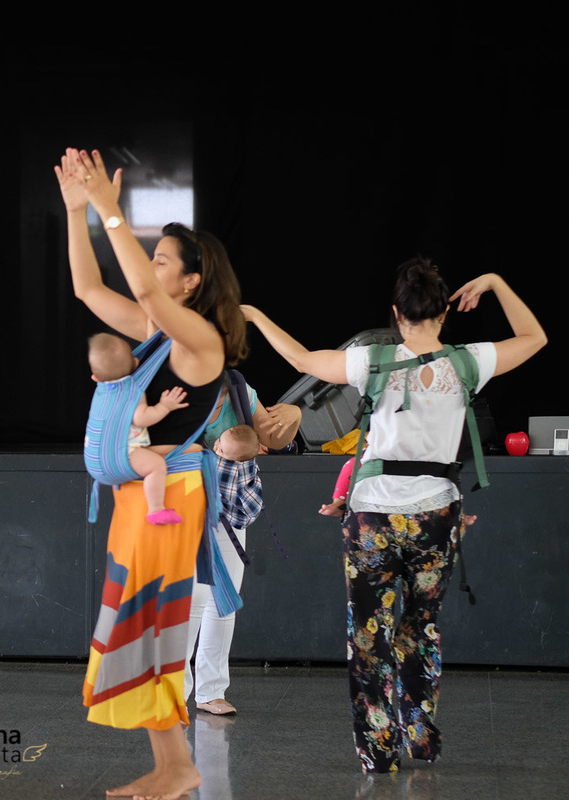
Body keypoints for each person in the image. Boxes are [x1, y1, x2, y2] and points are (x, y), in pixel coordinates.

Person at [241, 261, 546, 773]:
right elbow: (534, 336)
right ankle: (421, 736)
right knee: (420, 626)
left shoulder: (372, 359)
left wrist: (253, 314)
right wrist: (494, 283)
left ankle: (378, 750)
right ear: (445, 311)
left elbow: (299, 356)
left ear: (395, 314)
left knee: (368, 634)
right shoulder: (469, 362)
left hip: (374, 519)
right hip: (435, 519)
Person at [56, 147, 247, 800]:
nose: (154, 267)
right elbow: (87, 290)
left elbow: (139, 289)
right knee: (138, 632)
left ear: (192, 282)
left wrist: (113, 213)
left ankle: (180, 769)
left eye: (164, 258)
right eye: (155, 257)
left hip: (176, 495)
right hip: (135, 501)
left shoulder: (200, 341)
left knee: (158, 632)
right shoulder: (157, 332)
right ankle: (173, 766)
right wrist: (78, 212)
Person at [184, 381, 301, 718]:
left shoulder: (240, 390)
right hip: (187, 506)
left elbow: (275, 438)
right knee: (190, 602)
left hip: (230, 507)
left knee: (225, 601)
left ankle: (211, 691)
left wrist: (295, 412)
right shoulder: (177, 389)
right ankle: (174, 693)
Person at [87, 332, 191, 524]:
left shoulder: (101, 390)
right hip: (122, 457)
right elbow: (142, 418)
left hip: (94, 461)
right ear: (136, 363)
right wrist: (164, 406)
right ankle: (156, 509)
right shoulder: (131, 390)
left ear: (95, 376)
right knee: (156, 466)